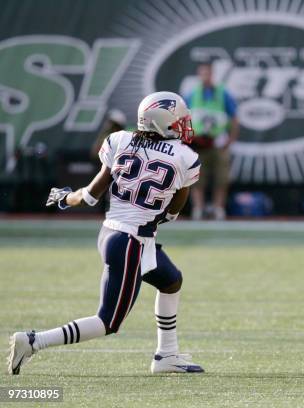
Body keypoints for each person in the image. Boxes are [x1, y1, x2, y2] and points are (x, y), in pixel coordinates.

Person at [8, 92, 204, 375]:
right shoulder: (186, 158)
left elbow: (89, 195)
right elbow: (175, 208)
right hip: (130, 242)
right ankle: (33, 341)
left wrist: (65, 198)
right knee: (108, 321)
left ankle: (167, 356)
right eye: (180, 120)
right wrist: (163, 217)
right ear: (165, 123)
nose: (185, 124)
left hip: (114, 234)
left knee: (171, 281)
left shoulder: (119, 140)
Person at [184, 62, 239, 220]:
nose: (205, 77)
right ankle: (199, 208)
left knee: (221, 178)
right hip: (198, 144)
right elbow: (183, 117)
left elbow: (234, 117)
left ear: (212, 74)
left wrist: (231, 139)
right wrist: (188, 140)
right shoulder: (192, 94)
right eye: (202, 74)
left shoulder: (223, 93)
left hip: (218, 142)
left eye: (208, 73)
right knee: (196, 176)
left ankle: (218, 208)